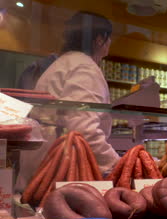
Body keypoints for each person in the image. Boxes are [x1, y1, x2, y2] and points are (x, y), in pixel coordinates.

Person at [16, 11, 119, 191]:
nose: (110, 44)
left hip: (42, 168)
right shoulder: (85, 67)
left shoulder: (64, 63)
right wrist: (117, 164)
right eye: (109, 38)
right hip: (58, 172)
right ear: (99, 39)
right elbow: (84, 130)